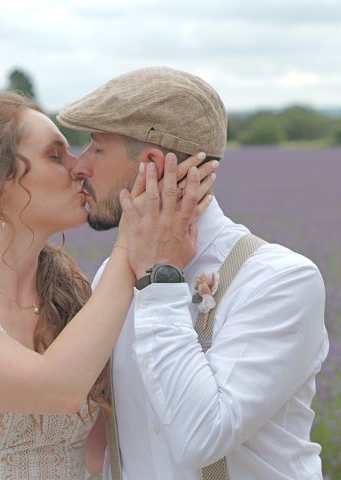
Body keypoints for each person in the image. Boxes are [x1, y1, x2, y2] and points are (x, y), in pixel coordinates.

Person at [0, 90, 216, 479]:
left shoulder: (74, 302)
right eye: (55, 155)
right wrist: (132, 239)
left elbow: (112, 452)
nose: (80, 168)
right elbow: (56, 389)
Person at [58, 66, 329, 479]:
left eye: (95, 148)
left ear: (150, 164)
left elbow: (202, 437)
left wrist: (159, 279)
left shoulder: (280, 280)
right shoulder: (108, 281)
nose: (79, 166)